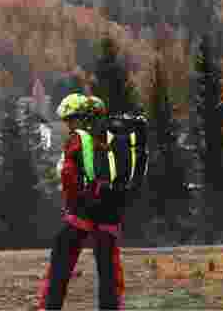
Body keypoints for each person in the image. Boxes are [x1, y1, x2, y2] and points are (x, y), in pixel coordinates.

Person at [37, 93, 125, 310]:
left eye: (69, 120)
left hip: (81, 212)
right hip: (110, 212)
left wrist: (73, 204)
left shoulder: (79, 138)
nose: (67, 125)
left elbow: (67, 176)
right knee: (108, 268)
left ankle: (50, 306)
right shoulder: (116, 139)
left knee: (61, 262)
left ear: (79, 117)